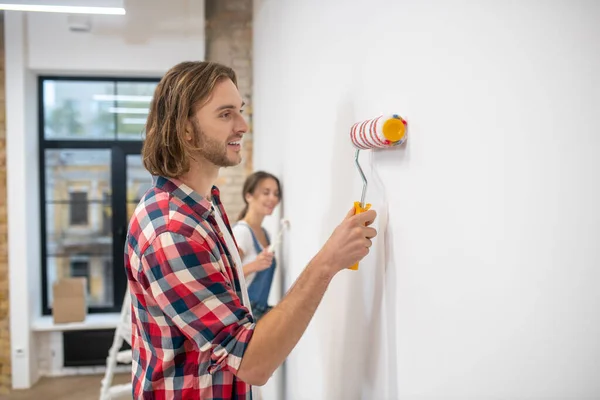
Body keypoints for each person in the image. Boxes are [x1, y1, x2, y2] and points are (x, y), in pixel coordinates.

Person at [125, 61, 377, 400]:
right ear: (186, 130)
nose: (243, 126)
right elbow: (253, 362)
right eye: (225, 114)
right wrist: (327, 262)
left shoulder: (204, 205)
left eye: (241, 112)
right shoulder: (173, 233)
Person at [232, 171, 281, 321]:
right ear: (249, 196)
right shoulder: (242, 232)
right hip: (242, 316)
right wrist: (254, 265)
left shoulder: (265, 234)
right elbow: (227, 277)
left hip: (259, 313)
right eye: (266, 193)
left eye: (276, 193)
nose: (273, 198)